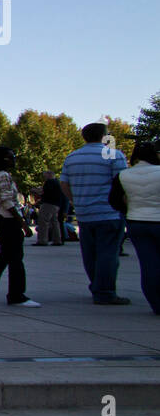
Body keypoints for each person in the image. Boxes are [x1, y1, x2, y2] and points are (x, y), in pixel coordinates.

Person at [61, 123, 130, 305]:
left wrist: (76, 200)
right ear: (104, 136)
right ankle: (105, 291)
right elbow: (122, 183)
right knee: (108, 253)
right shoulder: (114, 155)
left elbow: (64, 183)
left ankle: (96, 285)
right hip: (109, 212)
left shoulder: (72, 157)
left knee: (90, 254)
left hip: (84, 213)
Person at [0, 147, 40, 307]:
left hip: (0, 220)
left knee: (6, 255)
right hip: (9, 219)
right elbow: (6, 200)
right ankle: (16, 295)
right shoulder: (3, 175)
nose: (14, 160)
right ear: (3, 159)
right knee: (16, 258)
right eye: (11, 157)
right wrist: (23, 224)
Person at [111, 142, 160, 314]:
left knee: (148, 264)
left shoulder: (123, 175)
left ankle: (156, 303)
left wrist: (128, 208)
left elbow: (114, 201)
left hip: (137, 220)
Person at [35, 171, 65, 246]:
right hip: (56, 204)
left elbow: (44, 192)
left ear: (49, 175)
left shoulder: (49, 182)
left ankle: (42, 240)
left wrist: (36, 190)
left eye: (45, 176)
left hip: (48, 203)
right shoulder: (57, 182)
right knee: (55, 222)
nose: (44, 177)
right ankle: (57, 240)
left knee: (43, 222)